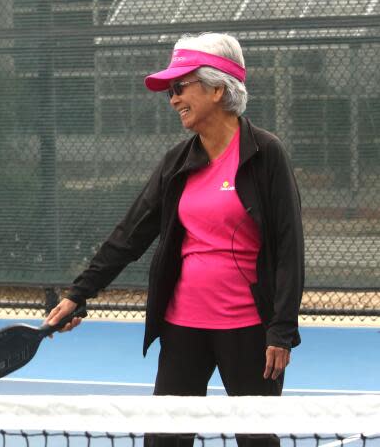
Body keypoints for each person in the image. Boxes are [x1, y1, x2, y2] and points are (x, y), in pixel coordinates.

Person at [45, 33, 304, 447]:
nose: (172, 99)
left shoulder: (266, 154)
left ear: (218, 89)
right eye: (170, 91)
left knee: (256, 440)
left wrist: (281, 331)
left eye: (180, 87)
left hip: (250, 332)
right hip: (183, 327)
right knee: (164, 440)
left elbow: (290, 247)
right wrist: (79, 292)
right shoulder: (177, 162)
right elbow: (130, 234)